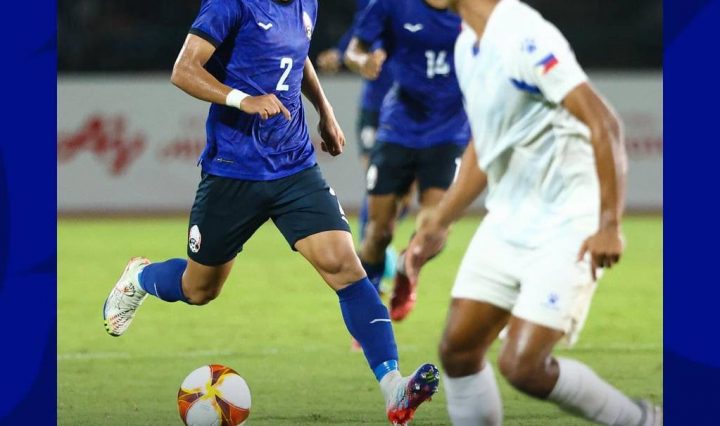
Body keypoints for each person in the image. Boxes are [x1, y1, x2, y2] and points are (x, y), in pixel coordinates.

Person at [101, 0, 438, 423]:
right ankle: (140, 278)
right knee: (200, 289)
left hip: (294, 166)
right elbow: (183, 70)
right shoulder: (229, 5)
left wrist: (325, 110)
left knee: (346, 269)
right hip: (233, 171)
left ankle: (394, 387)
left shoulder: (305, 4)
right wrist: (242, 99)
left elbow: (299, 55)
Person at [405, 0, 662, 424]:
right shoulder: (467, 46)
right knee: (458, 351)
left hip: (567, 222)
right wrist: (439, 221)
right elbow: (486, 146)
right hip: (507, 220)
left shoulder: (524, 34)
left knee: (524, 366)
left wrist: (609, 225)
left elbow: (605, 123)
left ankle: (643, 421)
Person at [344, 0, 471, 322]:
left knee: (435, 227)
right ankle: (371, 308)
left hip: (450, 131)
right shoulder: (391, 4)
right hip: (398, 129)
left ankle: (406, 266)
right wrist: (362, 62)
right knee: (378, 233)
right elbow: (354, 50)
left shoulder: (474, 8)